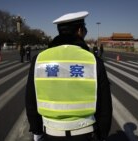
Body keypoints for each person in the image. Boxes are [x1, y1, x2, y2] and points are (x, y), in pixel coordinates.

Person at [25, 11, 112, 141]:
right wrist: (103, 134)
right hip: (86, 133)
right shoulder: (93, 60)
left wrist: (36, 131)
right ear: (79, 31)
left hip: (50, 133)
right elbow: (105, 104)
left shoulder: (39, 59)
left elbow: (31, 99)